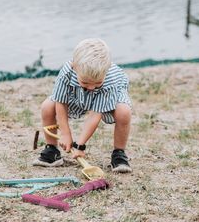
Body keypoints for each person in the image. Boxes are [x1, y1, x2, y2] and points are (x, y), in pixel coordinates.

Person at [33, 38, 132, 173]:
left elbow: (95, 115)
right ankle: (52, 150)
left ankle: (119, 153)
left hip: (109, 95)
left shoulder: (109, 80)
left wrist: (80, 145)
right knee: (47, 107)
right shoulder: (67, 72)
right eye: (85, 82)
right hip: (77, 94)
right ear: (75, 67)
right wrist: (66, 134)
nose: (91, 87)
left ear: (106, 71)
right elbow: (60, 102)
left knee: (123, 112)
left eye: (97, 83)